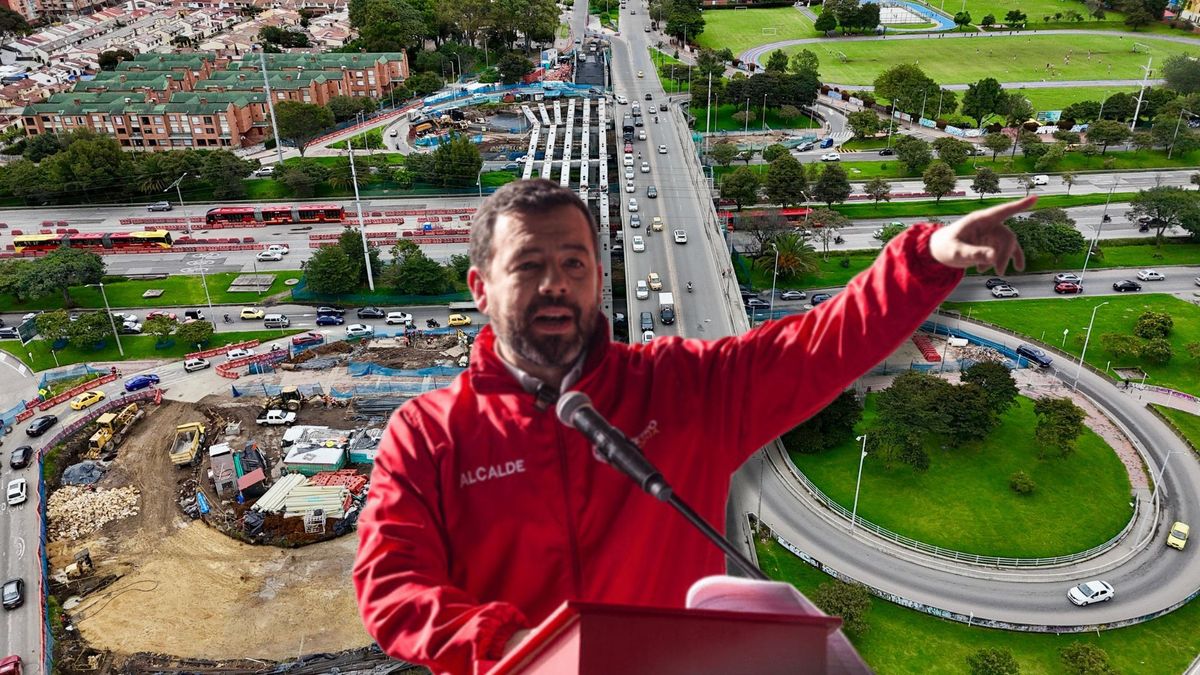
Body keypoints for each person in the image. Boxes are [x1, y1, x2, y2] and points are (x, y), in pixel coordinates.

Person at [354, 179, 1030, 674]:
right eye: (528, 266)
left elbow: (820, 344)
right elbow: (392, 586)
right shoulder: (428, 434)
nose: (555, 283)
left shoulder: (682, 388)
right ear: (480, 287)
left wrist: (928, 258)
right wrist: (515, 647)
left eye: (574, 264)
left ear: (598, 277)